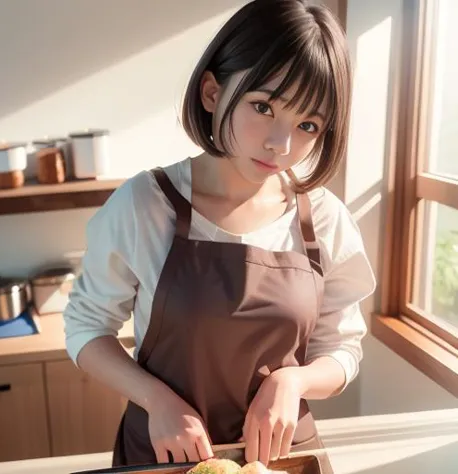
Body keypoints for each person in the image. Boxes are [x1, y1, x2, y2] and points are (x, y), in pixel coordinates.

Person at [63, 1, 376, 472]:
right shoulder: (147, 205)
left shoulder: (323, 219)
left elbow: (343, 347)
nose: (281, 143)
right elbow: (87, 328)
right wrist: (156, 399)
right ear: (212, 92)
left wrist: (294, 382)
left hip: (283, 458)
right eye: (263, 106)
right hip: (166, 454)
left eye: (307, 124)